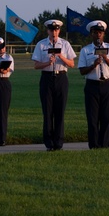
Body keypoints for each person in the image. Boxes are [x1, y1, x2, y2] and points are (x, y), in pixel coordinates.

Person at [31, 19, 76, 151]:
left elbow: (72, 64)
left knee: (60, 111)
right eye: (51, 30)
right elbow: (36, 65)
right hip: (47, 78)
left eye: (56, 30)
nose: (54, 32)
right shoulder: (41, 44)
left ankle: (59, 141)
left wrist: (61, 56)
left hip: (61, 77)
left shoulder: (65, 44)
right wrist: (47, 63)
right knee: (48, 111)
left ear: (59, 30)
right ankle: (49, 142)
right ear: (48, 30)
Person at [78, 20, 109, 149]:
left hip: (107, 85)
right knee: (92, 119)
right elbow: (82, 70)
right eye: (95, 32)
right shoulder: (86, 50)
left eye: (100, 32)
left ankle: (104, 145)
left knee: (106, 118)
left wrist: (106, 58)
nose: (98, 35)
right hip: (92, 85)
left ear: (103, 34)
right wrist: (93, 65)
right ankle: (94, 145)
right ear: (91, 34)